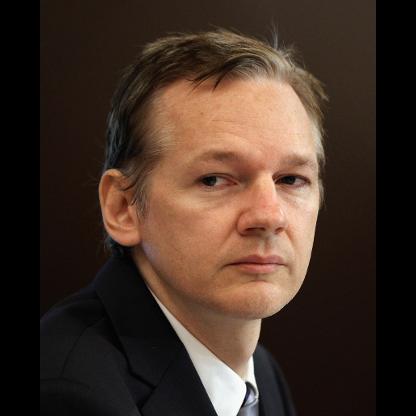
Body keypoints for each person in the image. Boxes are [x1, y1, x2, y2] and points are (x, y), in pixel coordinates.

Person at [40, 28, 327, 416]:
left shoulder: (260, 371)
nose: (269, 216)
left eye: (291, 179)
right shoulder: (69, 393)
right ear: (123, 208)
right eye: (214, 180)